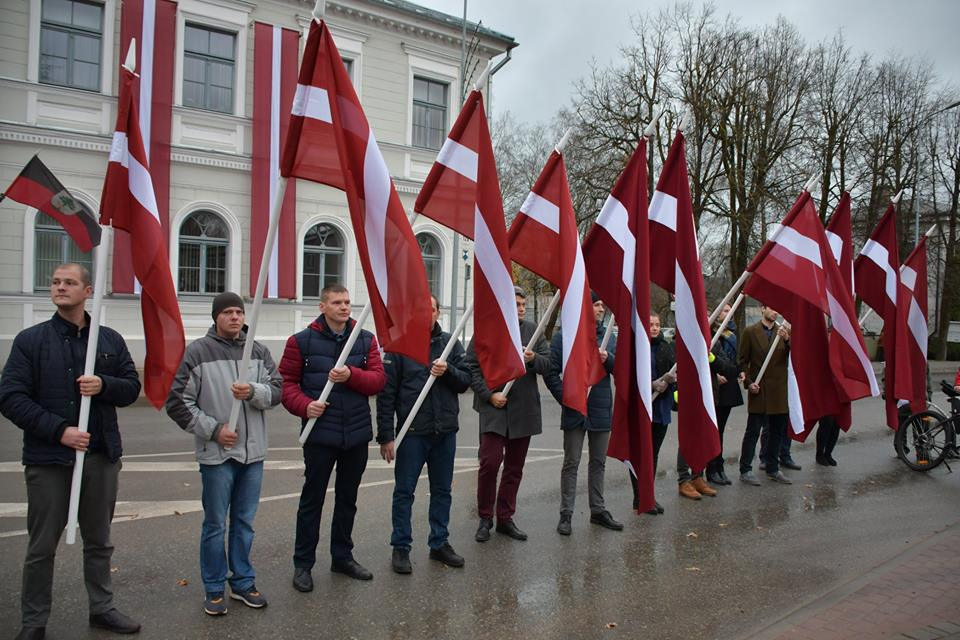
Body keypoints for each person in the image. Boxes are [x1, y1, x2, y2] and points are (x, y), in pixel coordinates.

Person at [0, 263, 142, 639]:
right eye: (56, 282)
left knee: (99, 540)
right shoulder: (31, 341)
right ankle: (34, 621)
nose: (60, 288)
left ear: (87, 290)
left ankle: (102, 608)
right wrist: (59, 431)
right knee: (41, 545)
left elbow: (130, 387)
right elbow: (10, 397)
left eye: (69, 283)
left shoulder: (107, 340)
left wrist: (104, 384)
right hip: (49, 461)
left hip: (100, 457)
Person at [165, 292, 282, 616]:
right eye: (227, 312)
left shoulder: (256, 351)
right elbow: (178, 402)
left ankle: (243, 582)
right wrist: (215, 430)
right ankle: (214, 588)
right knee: (216, 524)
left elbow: (277, 391)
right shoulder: (198, 352)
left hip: (253, 454)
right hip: (218, 456)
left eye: (238, 312)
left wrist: (254, 392)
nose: (234, 317)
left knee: (244, 522)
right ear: (216, 317)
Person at [279, 285, 386, 589]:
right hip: (319, 436)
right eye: (337, 302)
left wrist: (353, 375)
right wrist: (305, 406)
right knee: (312, 501)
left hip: (355, 435)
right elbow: (286, 384)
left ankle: (342, 557)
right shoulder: (301, 342)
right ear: (322, 306)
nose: (344, 307)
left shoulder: (364, 340)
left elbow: (378, 381)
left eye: (347, 302)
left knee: (347, 500)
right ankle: (303, 564)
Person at [377, 294, 471, 574]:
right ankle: (401, 546)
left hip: (444, 431)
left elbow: (465, 381)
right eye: (420, 309)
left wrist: (449, 371)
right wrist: (385, 436)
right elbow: (387, 394)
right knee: (404, 492)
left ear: (437, 312)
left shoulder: (450, 344)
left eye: (431, 309)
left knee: (442, 491)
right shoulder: (400, 345)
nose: (426, 314)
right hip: (412, 433)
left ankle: (439, 543)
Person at [468, 286, 551, 543]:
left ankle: (505, 517)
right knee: (490, 463)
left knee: (514, 468)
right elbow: (471, 366)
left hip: (523, 410)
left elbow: (549, 364)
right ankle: (485, 517)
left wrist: (533, 357)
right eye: (516, 304)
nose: (522, 308)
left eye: (523, 304)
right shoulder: (486, 329)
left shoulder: (533, 331)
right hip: (494, 408)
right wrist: (489, 395)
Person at [545, 293, 622, 535]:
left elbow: (620, 369)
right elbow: (550, 372)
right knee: (572, 462)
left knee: (598, 462)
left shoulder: (608, 338)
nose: (601, 309)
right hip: (575, 409)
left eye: (602, 305)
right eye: (596, 304)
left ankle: (598, 510)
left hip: (600, 407)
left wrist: (607, 359)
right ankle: (565, 514)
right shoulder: (564, 336)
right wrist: (567, 399)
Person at [738, 305, 792, 485]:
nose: (775, 311)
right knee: (753, 431)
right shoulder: (750, 332)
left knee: (777, 432)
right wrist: (748, 383)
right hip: (759, 389)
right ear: (762, 309)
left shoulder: (782, 333)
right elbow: (743, 361)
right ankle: (745, 469)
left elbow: (796, 357)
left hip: (779, 391)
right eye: (771, 308)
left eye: (777, 309)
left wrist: (788, 340)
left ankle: (772, 468)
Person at [631, 312, 676, 514]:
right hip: (643, 406)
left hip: (661, 408)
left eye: (658, 324)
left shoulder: (666, 347)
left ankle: (649, 495)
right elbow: (630, 377)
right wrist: (650, 385)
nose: (655, 328)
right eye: (651, 324)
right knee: (640, 454)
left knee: (653, 455)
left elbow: (674, 372)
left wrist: (672, 380)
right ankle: (639, 497)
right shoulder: (638, 347)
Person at [706, 303, 743, 485]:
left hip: (729, 387)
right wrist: (716, 373)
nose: (728, 314)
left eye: (730, 311)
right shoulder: (710, 334)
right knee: (714, 429)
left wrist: (739, 371)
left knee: (721, 430)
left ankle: (719, 466)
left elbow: (736, 360)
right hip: (715, 387)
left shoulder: (732, 337)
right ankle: (711, 467)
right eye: (724, 311)